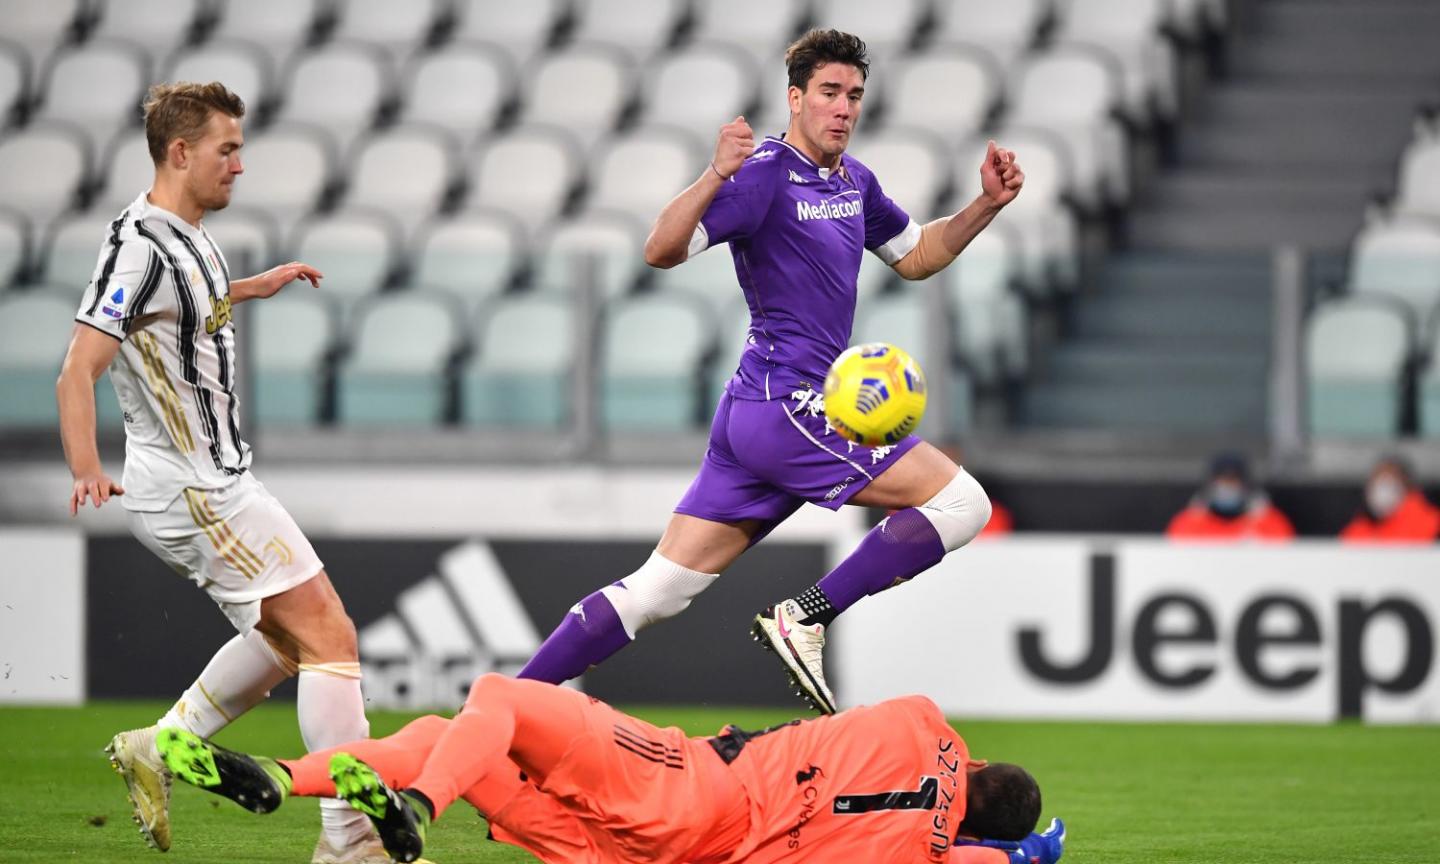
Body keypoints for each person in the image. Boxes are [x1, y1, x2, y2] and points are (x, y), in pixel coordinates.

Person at [516, 29, 1024, 715]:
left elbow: (918, 255)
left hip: (759, 416)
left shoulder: (854, 181)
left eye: (855, 96)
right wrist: (716, 171)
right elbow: (660, 250)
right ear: (795, 97)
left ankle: (500, 708)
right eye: (829, 93)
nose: (844, 108)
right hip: (788, 405)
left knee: (658, 591)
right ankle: (806, 617)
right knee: (962, 503)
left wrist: (985, 205)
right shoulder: (761, 175)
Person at [56, 82, 383, 863]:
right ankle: (351, 845)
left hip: (218, 480)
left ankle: (161, 745)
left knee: (287, 641)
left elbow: (180, 311)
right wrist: (86, 468)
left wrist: (247, 288)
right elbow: (78, 368)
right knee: (329, 634)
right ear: (180, 153)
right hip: (195, 490)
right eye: (226, 149)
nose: (240, 164)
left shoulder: (189, 235)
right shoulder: (141, 245)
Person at [156, 673, 1067, 864]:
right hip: (643, 856)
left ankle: (412, 807)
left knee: (493, 700)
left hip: (688, 779)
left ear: (978, 761)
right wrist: (1032, 856)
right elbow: (981, 858)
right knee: (450, 727)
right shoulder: (925, 855)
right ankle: (282, 775)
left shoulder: (924, 719)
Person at [1166, 452, 1294, 541]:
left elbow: (1285, 549)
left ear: (1246, 485)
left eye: (1233, 481)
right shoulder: (1190, 521)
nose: (1227, 487)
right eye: (1221, 481)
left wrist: (1259, 519)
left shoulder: (1269, 520)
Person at [1340, 455, 1440, 543]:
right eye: (1377, 482)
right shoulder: (1359, 530)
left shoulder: (1431, 523)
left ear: (1407, 485)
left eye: (1389, 483)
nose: (1382, 491)